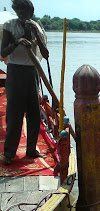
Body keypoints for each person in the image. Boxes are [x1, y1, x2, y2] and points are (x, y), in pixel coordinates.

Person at [1, 0, 49, 165]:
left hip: (31, 71)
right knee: (14, 114)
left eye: (25, 10)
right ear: (16, 11)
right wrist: (17, 42)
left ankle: (31, 149)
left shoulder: (36, 26)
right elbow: (3, 51)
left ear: (30, 12)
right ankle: (9, 153)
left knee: (34, 114)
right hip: (15, 71)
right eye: (19, 10)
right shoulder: (10, 25)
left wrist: (36, 33)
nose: (21, 13)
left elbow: (45, 54)